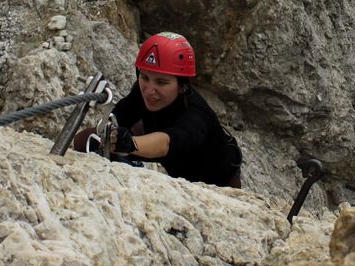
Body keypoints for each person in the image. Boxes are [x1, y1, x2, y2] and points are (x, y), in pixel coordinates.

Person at [74, 32, 243, 188]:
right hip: (165, 150)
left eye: (161, 82)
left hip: (215, 180)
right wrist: (106, 132)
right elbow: (121, 115)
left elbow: (165, 143)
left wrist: (129, 144)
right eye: (144, 77)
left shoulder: (196, 116)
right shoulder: (145, 92)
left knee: (120, 141)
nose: (149, 90)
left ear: (182, 86)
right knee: (85, 141)